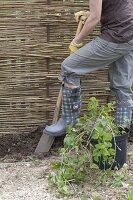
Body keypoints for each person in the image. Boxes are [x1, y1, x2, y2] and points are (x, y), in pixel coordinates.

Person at [44, 0, 133, 139]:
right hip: (130, 33)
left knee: (69, 67)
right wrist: (94, 12)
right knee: (122, 86)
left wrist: (77, 41)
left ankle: (68, 122)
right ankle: (121, 134)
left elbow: (95, 18)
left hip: (118, 34)